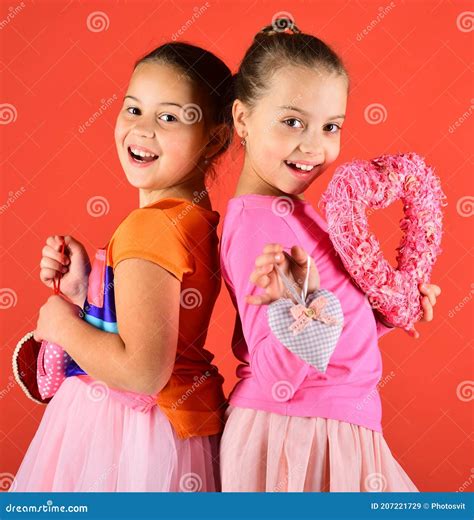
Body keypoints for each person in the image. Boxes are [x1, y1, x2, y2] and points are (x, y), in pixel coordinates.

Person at [219, 19, 441, 492]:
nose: (313, 145)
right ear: (242, 119)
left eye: (330, 126)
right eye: (292, 121)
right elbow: (278, 369)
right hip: (294, 434)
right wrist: (319, 308)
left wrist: (386, 311)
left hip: (331, 424)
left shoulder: (299, 214)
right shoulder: (260, 227)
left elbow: (329, 329)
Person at [12, 41, 233, 492]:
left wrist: (62, 322)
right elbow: (167, 325)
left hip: (124, 434)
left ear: (215, 138)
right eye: (133, 109)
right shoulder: (196, 217)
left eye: (168, 117)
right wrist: (90, 292)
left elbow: (143, 372)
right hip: (176, 432)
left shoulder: (148, 227)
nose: (142, 129)